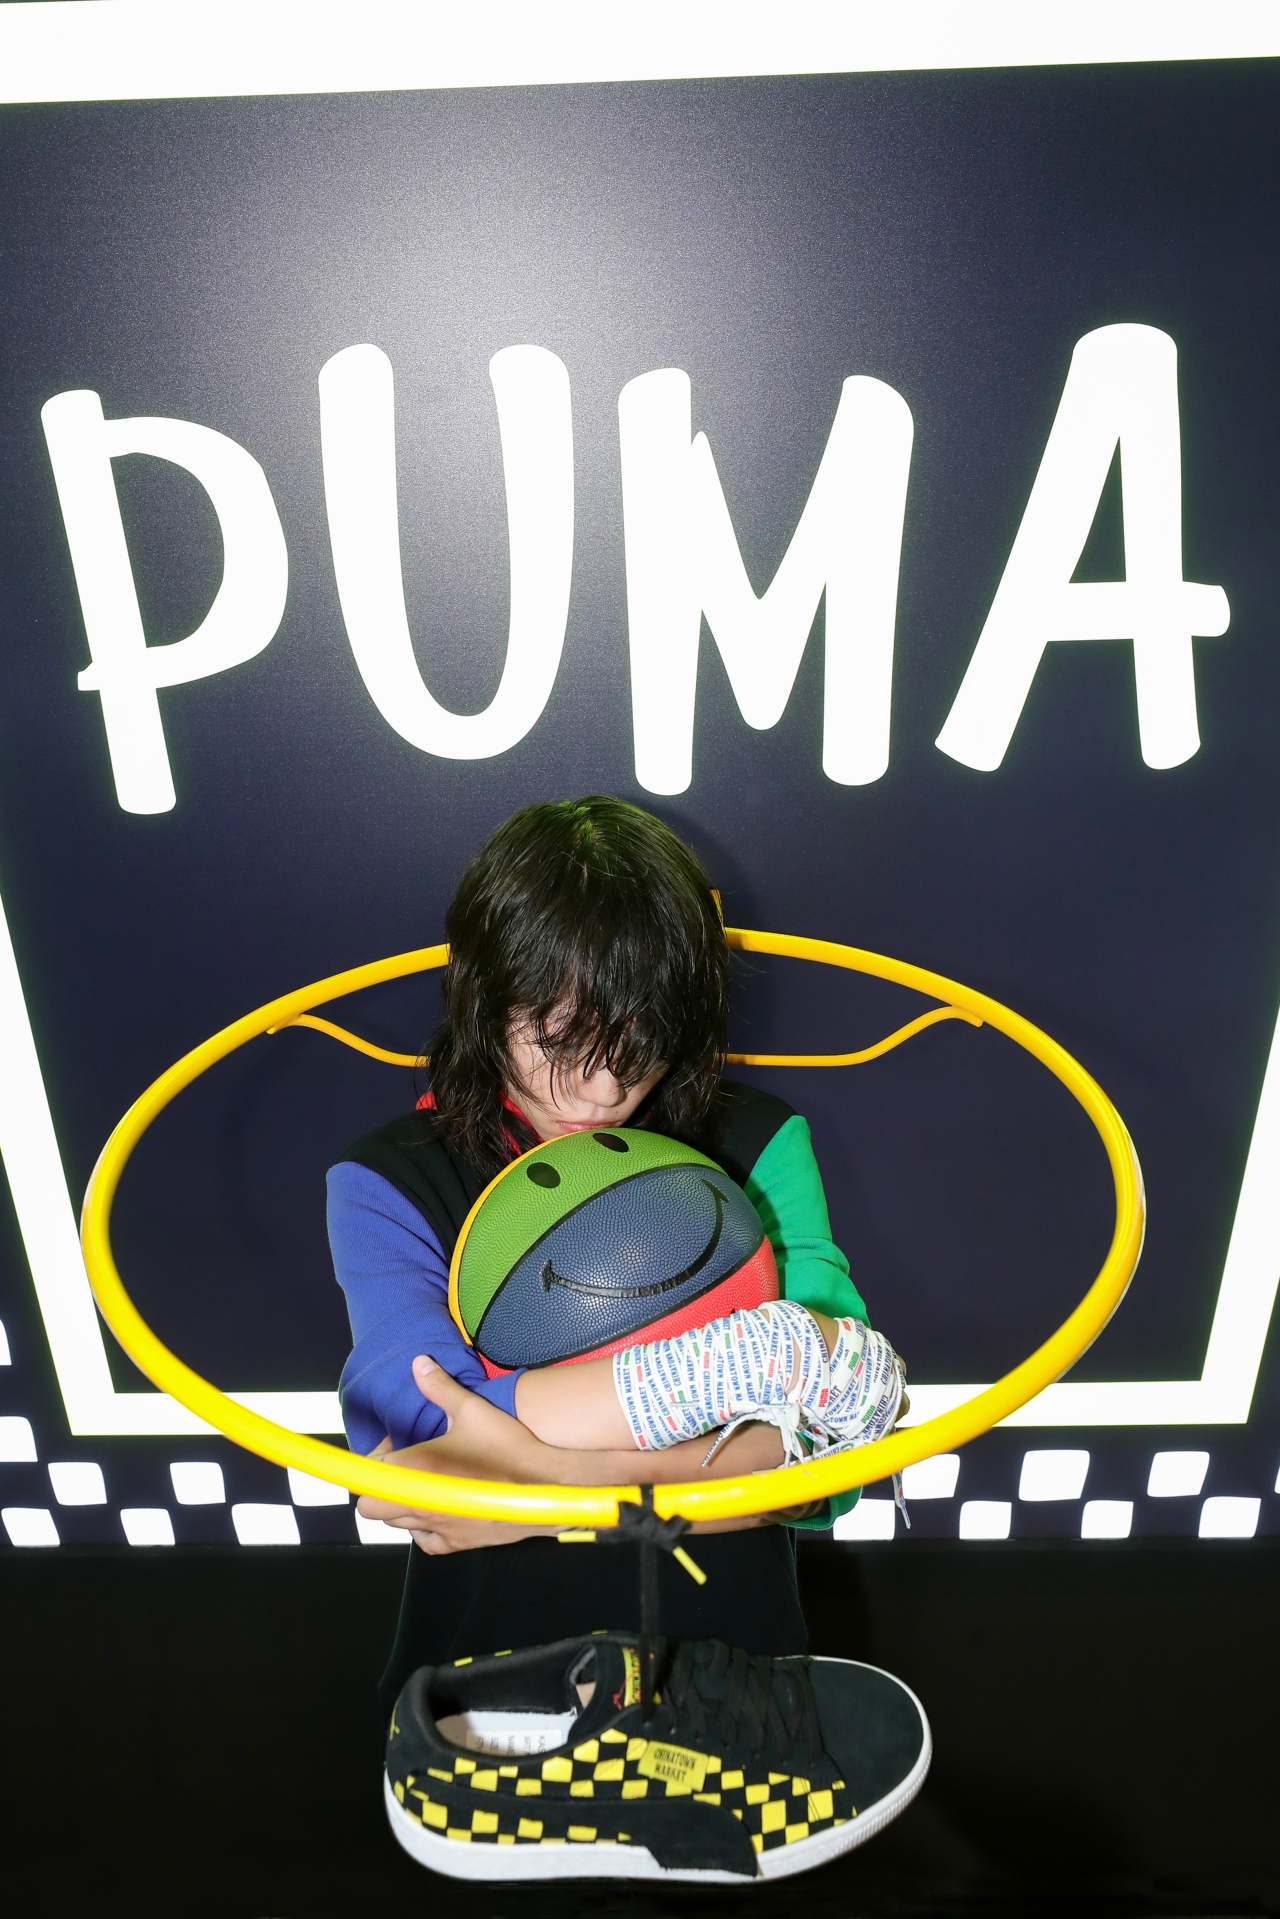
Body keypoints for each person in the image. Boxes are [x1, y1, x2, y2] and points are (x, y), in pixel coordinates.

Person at [326, 797, 905, 1718]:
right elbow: (419, 1446)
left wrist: (542, 1482)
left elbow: (836, 1453)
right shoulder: (387, 1177)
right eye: (558, 1039)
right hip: (484, 1686)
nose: (602, 1088)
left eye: (642, 1041)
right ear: (484, 997)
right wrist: (741, 1421)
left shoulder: (758, 1142)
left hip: (731, 1674)